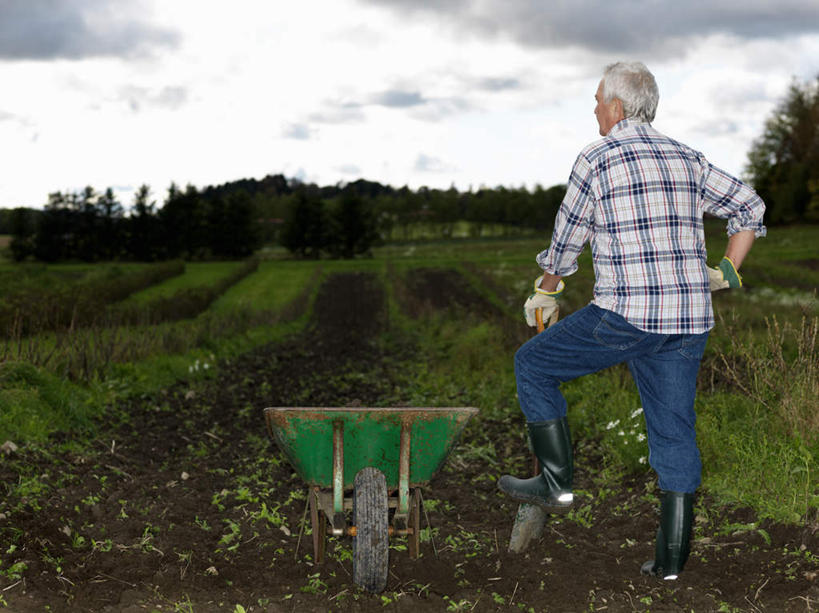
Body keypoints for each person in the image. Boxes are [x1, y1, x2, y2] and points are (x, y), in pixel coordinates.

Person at [497, 61, 766, 580]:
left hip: (627, 315)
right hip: (688, 320)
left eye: (598, 100)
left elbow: (568, 237)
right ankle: (670, 563)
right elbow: (749, 206)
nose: (595, 109)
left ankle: (555, 483)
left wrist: (546, 291)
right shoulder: (687, 157)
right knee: (673, 431)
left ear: (617, 107)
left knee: (533, 364)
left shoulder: (597, 158)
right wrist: (729, 269)